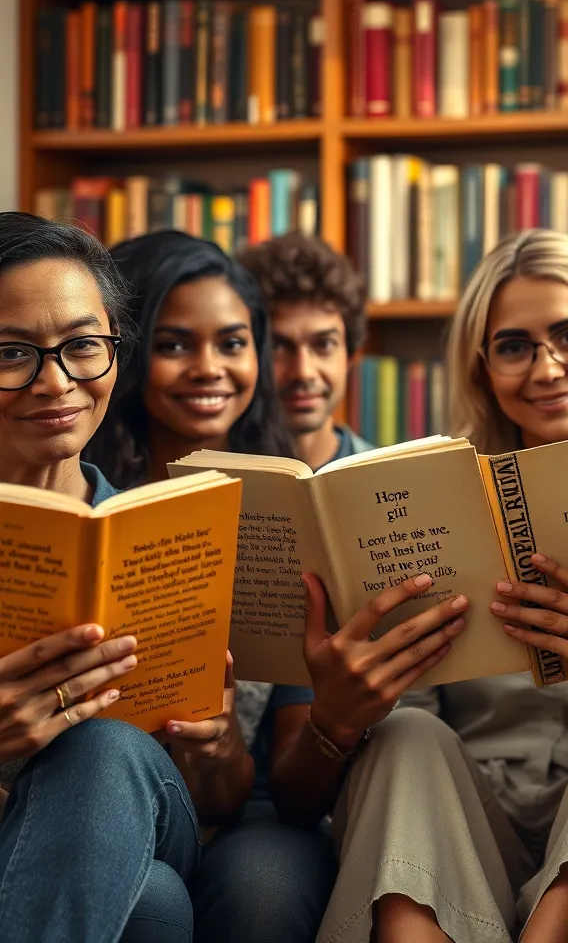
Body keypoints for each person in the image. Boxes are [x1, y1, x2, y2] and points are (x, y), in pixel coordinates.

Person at [309, 229, 568, 943]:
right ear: (483, 366)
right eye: (513, 346)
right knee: (405, 733)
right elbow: (406, 710)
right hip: (468, 824)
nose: (546, 369)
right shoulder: (437, 496)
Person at [84, 231, 328, 943]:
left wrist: (222, 743)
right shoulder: (78, 495)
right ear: (125, 353)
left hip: (244, 807)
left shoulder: (285, 504)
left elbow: (285, 771)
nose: (209, 369)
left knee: (264, 889)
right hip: (96, 797)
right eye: (174, 344)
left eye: (232, 342)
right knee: (149, 898)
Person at [0, 213, 228, 943]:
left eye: (83, 347)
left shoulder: (164, 537)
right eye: (12, 353)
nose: (57, 382)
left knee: (104, 749)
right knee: (155, 909)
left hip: (147, 810)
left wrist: (214, 745)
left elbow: (222, 797)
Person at [237, 232, 372, 469]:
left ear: (349, 357)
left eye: (324, 345)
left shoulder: (394, 483)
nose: (303, 372)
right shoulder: (215, 484)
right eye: (278, 347)